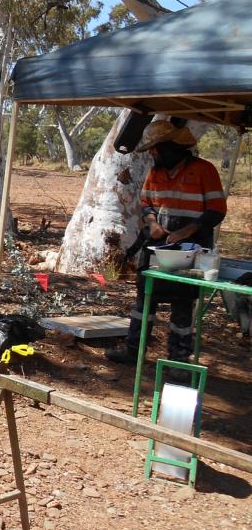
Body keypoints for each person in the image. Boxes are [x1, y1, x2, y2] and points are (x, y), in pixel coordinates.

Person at [105, 120, 227, 380]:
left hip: (191, 250)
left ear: (171, 148)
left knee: (183, 304)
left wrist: (186, 231)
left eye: (155, 148)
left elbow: (216, 210)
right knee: (144, 299)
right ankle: (133, 350)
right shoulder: (155, 172)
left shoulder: (204, 170)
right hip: (157, 246)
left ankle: (178, 361)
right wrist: (152, 223)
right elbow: (147, 203)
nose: (152, 153)